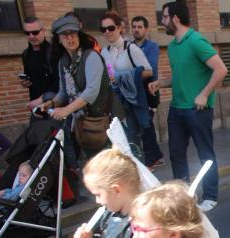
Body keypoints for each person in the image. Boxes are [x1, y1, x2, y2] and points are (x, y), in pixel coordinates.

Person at [148, 2, 227, 213]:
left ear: (175, 18)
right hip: (177, 109)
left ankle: (210, 196)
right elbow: (182, 75)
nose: (162, 21)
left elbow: (220, 69)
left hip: (197, 110)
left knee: (205, 154)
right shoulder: (173, 46)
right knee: (175, 153)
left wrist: (203, 94)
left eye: (164, 17)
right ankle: (183, 195)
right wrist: (162, 83)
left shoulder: (196, 41)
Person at [40, 15, 112, 160]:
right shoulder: (63, 62)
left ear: (79, 35)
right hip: (83, 122)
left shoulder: (91, 56)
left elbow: (91, 92)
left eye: (73, 34)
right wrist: (51, 103)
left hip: (104, 120)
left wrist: (66, 110)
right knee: (91, 166)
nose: (70, 39)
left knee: (109, 166)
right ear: (58, 39)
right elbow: (63, 93)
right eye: (65, 36)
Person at [100, 11, 153, 162]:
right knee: (119, 145)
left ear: (119, 28)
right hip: (114, 103)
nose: (107, 32)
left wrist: (124, 76)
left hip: (132, 101)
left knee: (133, 142)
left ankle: (141, 179)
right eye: (103, 29)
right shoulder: (104, 52)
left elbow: (148, 71)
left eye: (110, 28)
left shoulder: (131, 48)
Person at [131, 15, 165, 170]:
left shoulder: (151, 46)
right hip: (133, 93)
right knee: (142, 127)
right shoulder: (129, 46)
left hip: (149, 93)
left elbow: (149, 69)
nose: (136, 30)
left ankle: (152, 159)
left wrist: (129, 72)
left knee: (147, 126)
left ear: (145, 29)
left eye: (139, 27)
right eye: (134, 27)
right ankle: (156, 156)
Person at [21, 17, 59, 112]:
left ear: (43, 31)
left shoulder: (54, 53)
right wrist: (25, 82)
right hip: (35, 105)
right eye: (27, 33)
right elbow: (30, 78)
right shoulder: (26, 54)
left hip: (54, 105)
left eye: (35, 32)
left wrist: (41, 99)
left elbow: (60, 81)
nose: (31, 36)